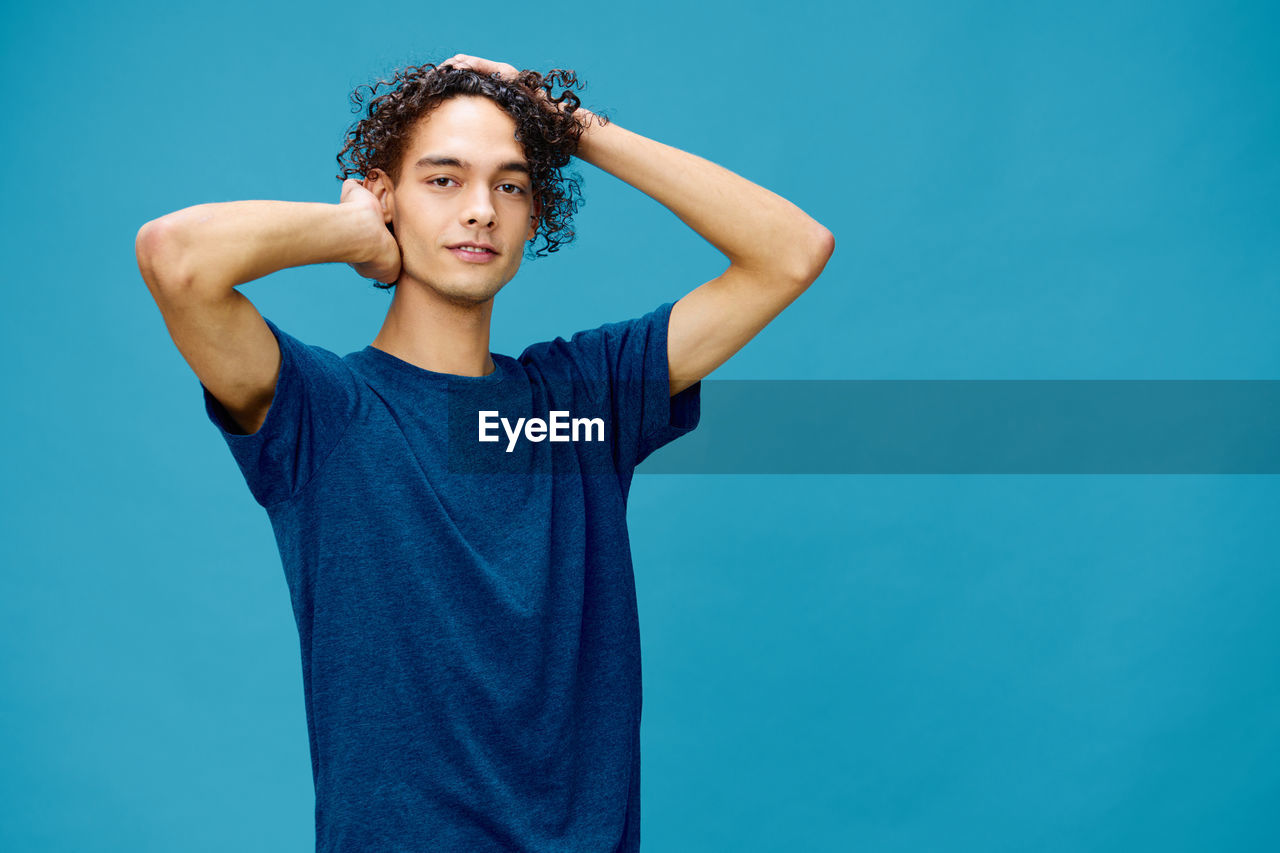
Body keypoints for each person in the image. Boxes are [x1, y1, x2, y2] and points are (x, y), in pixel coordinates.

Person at [135, 54, 833, 852]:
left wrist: (568, 127)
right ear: (387, 194)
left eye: (509, 184)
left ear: (536, 214)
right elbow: (176, 258)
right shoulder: (322, 412)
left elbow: (793, 250)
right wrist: (354, 232)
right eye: (443, 180)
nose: (481, 211)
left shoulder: (585, 403)